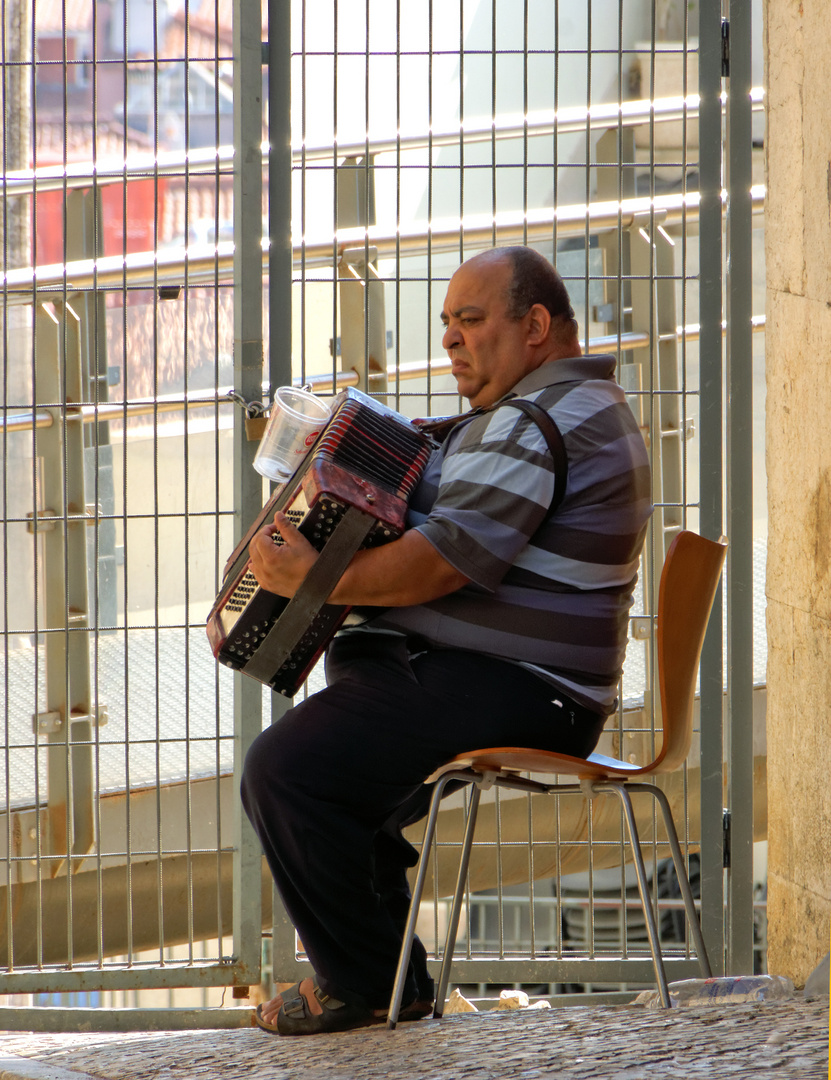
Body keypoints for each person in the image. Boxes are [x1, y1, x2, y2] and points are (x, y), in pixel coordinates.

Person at [241, 246, 652, 1036]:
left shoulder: (541, 421)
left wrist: (311, 580)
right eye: (446, 324)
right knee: (338, 775)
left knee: (286, 769)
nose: (451, 342)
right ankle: (385, 983)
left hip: (523, 683)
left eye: (470, 321)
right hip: (509, 673)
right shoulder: (543, 410)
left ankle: (360, 986)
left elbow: (444, 560)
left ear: (534, 326)